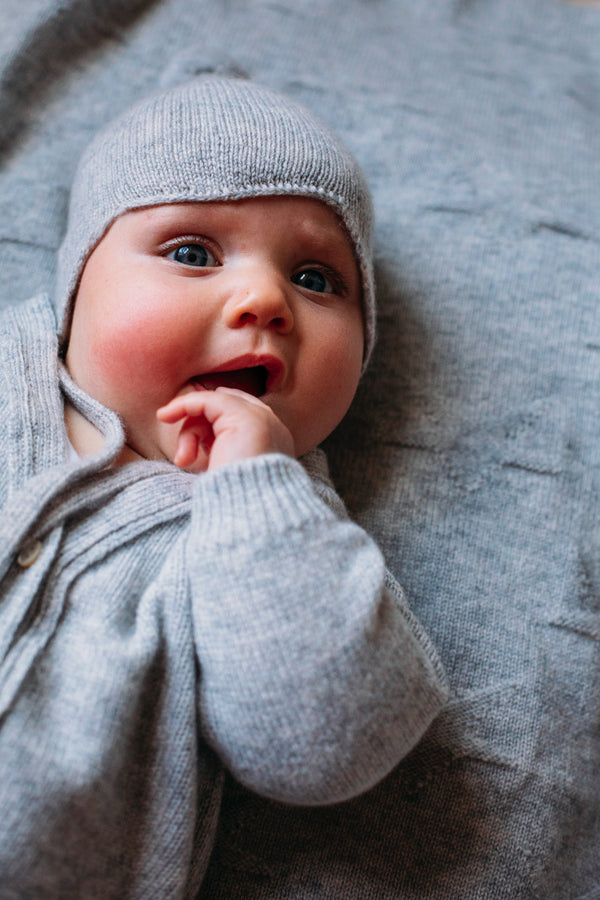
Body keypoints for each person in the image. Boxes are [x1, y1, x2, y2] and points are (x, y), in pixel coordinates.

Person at [0, 75, 447, 897]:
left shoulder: (282, 545)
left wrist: (257, 486)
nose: (266, 299)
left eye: (317, 279)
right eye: (192, 254)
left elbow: (322, 747)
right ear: (77, 286)